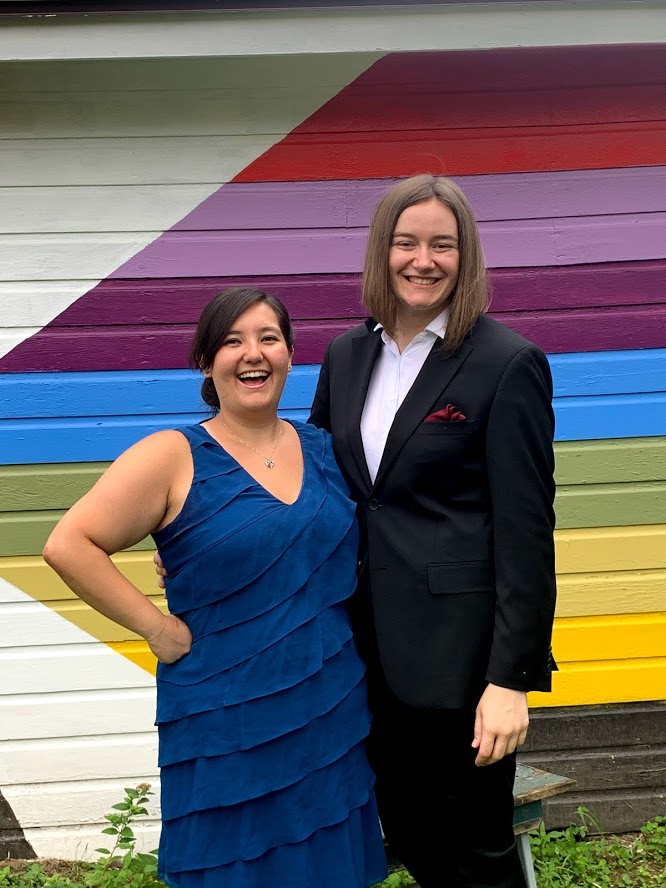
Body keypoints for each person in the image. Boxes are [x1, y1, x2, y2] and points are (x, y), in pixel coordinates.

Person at [42, 288, 388, 888]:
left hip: (327, 706)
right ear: (207, 361)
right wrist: (156, 627)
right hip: (223, 717)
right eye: (232, 341)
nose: (251, 354)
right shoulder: (173, 455)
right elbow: (70, 545)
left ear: (289, 354)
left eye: (268, 338)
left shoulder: (326, 449)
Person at [307, 174, 557, 888]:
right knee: (410, 835)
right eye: (406, 242)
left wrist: (511, 680)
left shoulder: (506, 363)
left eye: (442, 245)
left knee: (477, 853)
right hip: (364, 654)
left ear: (465, 255)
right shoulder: (346, 356)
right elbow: (322, 488)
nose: (424, 259)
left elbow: (527, 532)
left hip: (461, 664)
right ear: (382, 253)